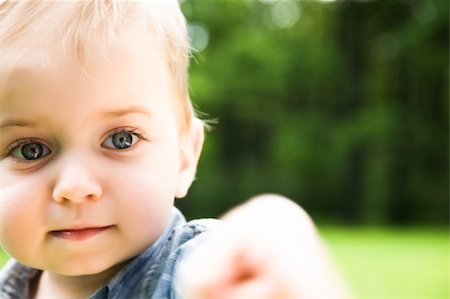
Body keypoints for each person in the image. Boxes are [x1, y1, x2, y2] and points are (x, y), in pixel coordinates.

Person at [0, 1, 349, 298]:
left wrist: (279, 229)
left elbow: (261, 247)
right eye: (30, 150)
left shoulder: (195, 272)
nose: (75, 187)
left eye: (121, 139)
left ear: (185, 156)